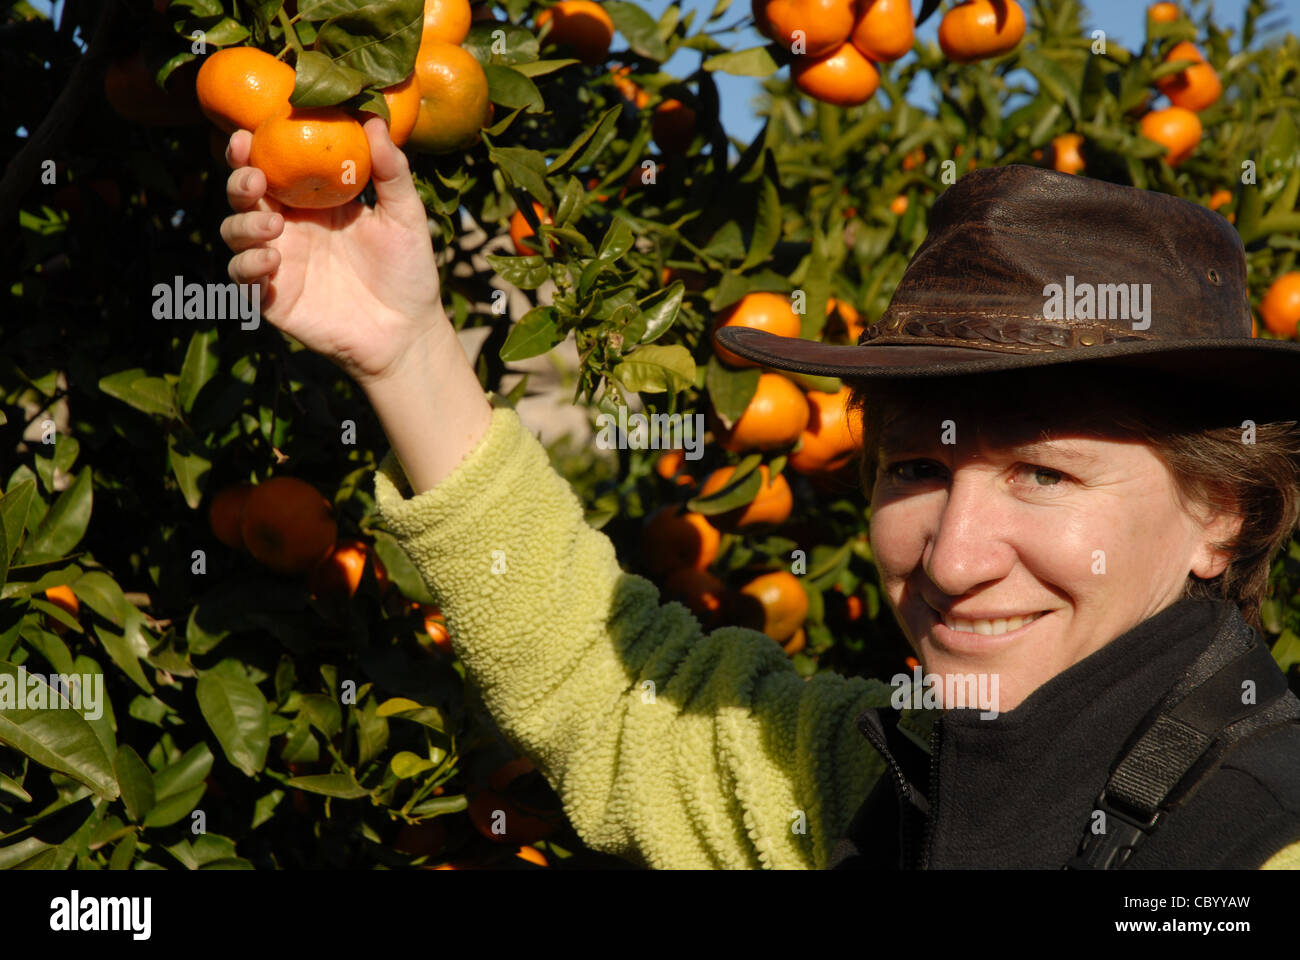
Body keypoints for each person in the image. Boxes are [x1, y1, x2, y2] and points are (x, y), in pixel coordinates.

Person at [219, 120, 1300, 868]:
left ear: (1221, 514)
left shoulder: (1259, 836)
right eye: (917, 469)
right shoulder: (876, 779)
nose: (954, 557)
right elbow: (615, 702)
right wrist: (405, 350)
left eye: (1044, 474)